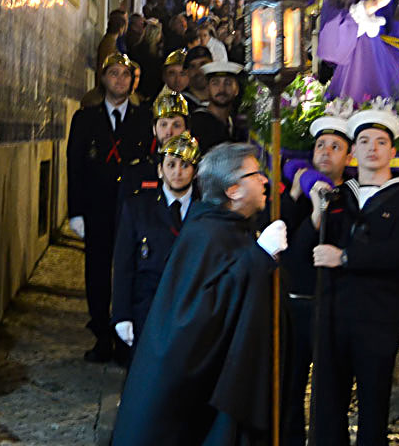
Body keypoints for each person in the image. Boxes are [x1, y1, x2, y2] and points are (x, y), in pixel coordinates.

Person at [112, 143, 288, 445]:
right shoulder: (206, 234)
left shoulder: (233, 228)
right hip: (196, 401)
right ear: (232, 190)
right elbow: (196, 315)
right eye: (256, 174)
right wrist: (258, 258)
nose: (265, 181)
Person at [297, 110, 399, 446]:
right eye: (365, 142)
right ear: (354, 151)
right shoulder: (337, 196)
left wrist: (344, 256)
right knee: (328, 407)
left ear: (393, 152)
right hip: (333, 314)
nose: (373, 149)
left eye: (381, 142)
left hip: (378, 316)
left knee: (374, 407)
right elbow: (303, 252)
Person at [66, 52, 154, 362]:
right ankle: (102, 334)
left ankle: (125, 337)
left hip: (132, 209)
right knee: (98, 271)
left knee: (130, 270)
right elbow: (74, 166)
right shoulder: (85, 119)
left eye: (125, 75)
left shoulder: (145, 119)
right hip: (97, 207)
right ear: (103, 79)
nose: (120, 80)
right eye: (114, 74)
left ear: (133, 81)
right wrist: (74, 211)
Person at [279, 116, 353, 446]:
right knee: (289, 387)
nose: (325, 152)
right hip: (297, 304)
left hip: (334, 305)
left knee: (332, 388)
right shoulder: (295, 195)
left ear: (348, 157)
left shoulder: (351, 197)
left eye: (335, 147)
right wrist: (303, 204)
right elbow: (289, 252)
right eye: (320, 145)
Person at [112, 132, 202, 351]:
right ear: (160, 170)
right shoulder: (137, 207)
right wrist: (121, 315)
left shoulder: (205, 209)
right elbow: (124, 265)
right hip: (148, 308)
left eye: (185, 165)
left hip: (193, 311)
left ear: (195, 171)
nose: (177, 172)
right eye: (171, 165)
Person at [188, 61, 246, 155]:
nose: (221, 89)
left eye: (228, 83)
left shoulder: (235, 124)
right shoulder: (198, 123)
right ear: (207, 88)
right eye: (215, 83)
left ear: (236, 90)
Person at [182, 45, 212, 110]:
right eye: (192, 66)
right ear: (187, 72)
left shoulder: (223, 98)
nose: (198, 71)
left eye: (203, 64)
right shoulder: (180, 104)